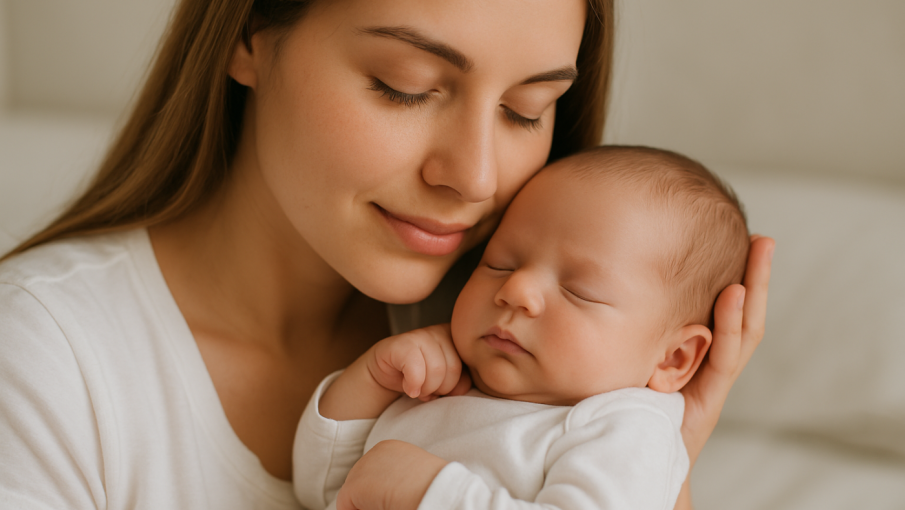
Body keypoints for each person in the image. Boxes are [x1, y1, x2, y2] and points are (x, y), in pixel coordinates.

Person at [0, 1, 773, 509]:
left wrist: (667, 453)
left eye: (524, 110)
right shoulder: (42, 357)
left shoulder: (514, 348)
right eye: (404, 86)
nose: (473, 178)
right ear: (248, 37)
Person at [293, 146, 750, 510]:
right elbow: (319, 489)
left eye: (579, 291)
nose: (516, 291)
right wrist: (371, 381)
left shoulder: (625, 425)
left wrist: (428, 492)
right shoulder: (441, 385)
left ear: (674, 358)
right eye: (500, 263)